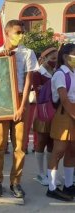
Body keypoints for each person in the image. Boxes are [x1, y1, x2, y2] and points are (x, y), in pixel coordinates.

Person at [0, 20, 39, 198]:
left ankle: (15, 182)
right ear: (7, 33)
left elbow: (28, 81)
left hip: (19, 99)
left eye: (22, 32)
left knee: (20, 146)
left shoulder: (27, 53)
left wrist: (22, 106)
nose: (21, 35)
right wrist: (1, 60)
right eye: (17, 32)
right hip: (1, 100)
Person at [46, 43, 75, 201]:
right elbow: (63, 99)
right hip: (64, 114)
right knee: (58, 151)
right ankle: (51, 187)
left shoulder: (73, 73)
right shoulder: (60, 74)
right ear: (65, 56)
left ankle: (69, 185)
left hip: (73, 113)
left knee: (72, 151)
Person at [32, 47, 58, 186]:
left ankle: (49, 172)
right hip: (43, 112)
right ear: (44, 59)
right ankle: (40, 172)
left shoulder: (56, 72)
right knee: (41, 142)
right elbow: (39, 93)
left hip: (56, 112)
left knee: (52, 144)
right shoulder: (37, 74)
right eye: (52, 59)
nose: (54, 62)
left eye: (56, 59)